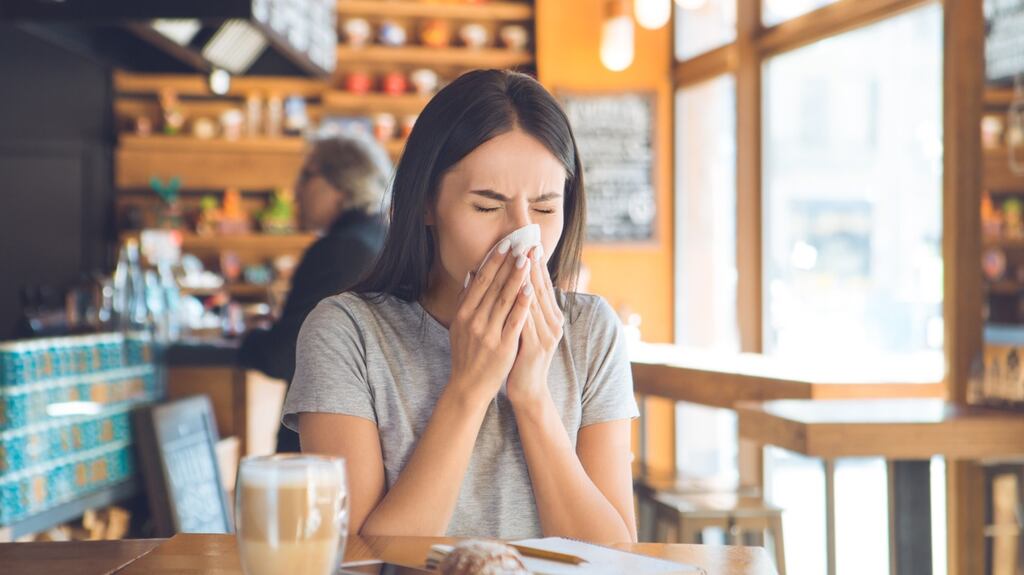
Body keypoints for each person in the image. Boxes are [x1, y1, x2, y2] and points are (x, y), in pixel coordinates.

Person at [281, 70, 639, 542]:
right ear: (426, 204)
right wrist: (469, 389)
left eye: (545, 209)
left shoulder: (591, 331)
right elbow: (359, 562)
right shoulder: (346, 333)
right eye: (487, 207)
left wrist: (532, 395)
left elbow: (614, 557)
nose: (521, 236)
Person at [239, 135, 390, 453]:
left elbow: (284, 356)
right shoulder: (382, 237)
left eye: (307, 176)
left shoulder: (341, 250)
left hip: (323, 443)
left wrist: (248, 337)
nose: (296, 191)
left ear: (343, 183)